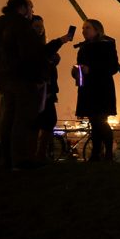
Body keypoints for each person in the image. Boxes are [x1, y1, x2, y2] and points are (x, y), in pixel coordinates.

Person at [0, 0, 50, 169]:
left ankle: (8, 160)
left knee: (9, 117)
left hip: (5, 77)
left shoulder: (0, 25)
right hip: (22, 78)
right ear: (22, 7)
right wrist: (38, 78)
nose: (32, 11)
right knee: (23, 117)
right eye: (30, 7)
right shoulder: (22, 26)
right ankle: (21, 159)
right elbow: (30, 55)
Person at [74, 19, 120, 162]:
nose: (84, 31)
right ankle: (97, 153)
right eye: (83, 28)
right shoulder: (83, 48)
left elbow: (113, 67)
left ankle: (106, 153)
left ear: (97, 30)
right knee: (95, 122)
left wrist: (91, 69)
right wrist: (76, 72)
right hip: (88, 89)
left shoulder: (107, 46)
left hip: (102, 88)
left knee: (100, 121)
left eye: (87, 28)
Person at [31, 15, 71, 161]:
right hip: (41, 90)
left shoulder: (39, 46)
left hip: (46, 90)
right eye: (36, 26)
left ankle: (38, 154)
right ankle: (39, 154)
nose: (40, 29)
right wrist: (61, 41)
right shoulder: (32, 46)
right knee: (46, 121)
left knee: (44, 121)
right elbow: (42, 56)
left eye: (41, 26)